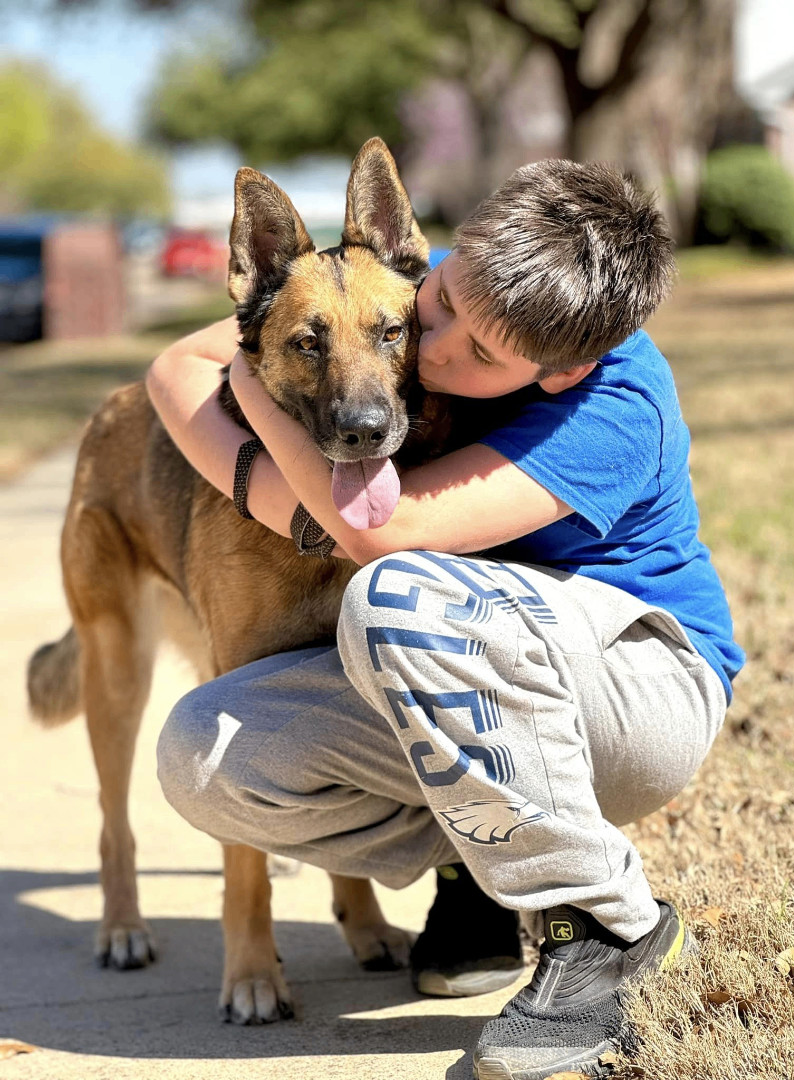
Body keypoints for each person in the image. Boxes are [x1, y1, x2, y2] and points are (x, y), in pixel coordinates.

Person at [147, 159, 745, 1079]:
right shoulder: (409, 289)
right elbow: (176, 367)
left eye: (477, 352)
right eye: (437, 307)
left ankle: (603, 930)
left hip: (639, 695)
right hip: (483, 684)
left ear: (564, 369)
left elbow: (390, 537)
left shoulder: (616, 405)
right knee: (208, 752)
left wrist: (265, 422)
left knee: (402, 597)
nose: (431, 349)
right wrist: (260, 438)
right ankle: (484, 870)